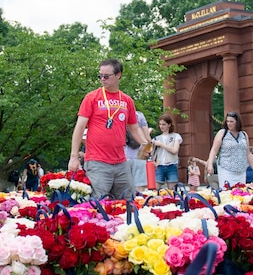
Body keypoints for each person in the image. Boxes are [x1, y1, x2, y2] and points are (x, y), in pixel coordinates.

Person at [68, 59, 149, 198]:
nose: (102, 79)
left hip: (121, 161)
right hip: (97, 161)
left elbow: (134, 128)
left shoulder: (127, 100)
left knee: (128, 201)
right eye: (100, 76)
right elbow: (80, 127)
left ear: (118, 75)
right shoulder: (92, 97)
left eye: (106, 76)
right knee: (98, 202)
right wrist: (74, 157)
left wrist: (146, 144)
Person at [197, 111, 253, 188]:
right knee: (227, 191)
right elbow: (214, 150)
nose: (229, 123)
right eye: (227, 121)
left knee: (240, 193)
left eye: (231, 121)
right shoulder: (222, 133)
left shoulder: (244, 135)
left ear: (237, 122)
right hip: (226, 168)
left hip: (241, 170)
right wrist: (210, 164)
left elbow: (247, 153)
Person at [151, 114, 182, 187]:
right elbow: (151, 153)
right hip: (159, 166)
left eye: (164, 124)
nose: (161, 126)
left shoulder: (176, 136)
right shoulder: (156, 138)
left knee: (172, 191)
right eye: (160, 124)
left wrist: (161, 144)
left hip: (172, 165)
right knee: (155, 190)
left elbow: (175, 150)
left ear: (169, 125)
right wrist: (153, 162)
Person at [125, 111, 152, 193]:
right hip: (140, 157)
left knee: (125, 187)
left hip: (124, 157)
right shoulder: (140, 115)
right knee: (140, 187)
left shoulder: (120, 113)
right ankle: (138, 203)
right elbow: (147, 138)